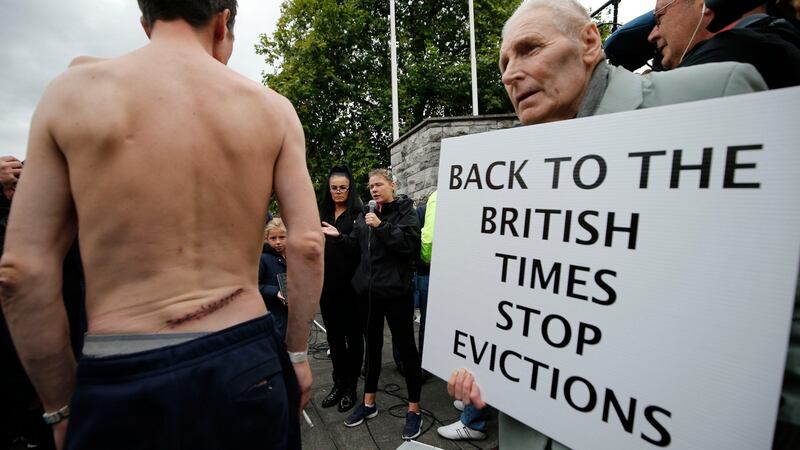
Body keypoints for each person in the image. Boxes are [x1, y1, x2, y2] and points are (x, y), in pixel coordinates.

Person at [0, 1, 324, 449]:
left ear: (145, 21)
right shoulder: (273, 109)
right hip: (244, 362)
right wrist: (297, 353)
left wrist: (60, 406)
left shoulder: (71, 94)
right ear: (222, 21)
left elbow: (22, 273)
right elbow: (308, 244)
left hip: (121, 366)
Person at [445, 0, 768, 449]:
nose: (510, 74)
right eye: (504, 62)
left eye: (529, 48)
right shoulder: (511, 172)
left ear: (590, 42)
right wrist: (490, 373)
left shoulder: (714, 96)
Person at [322, 168, 424, 440]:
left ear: (392, 185)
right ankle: (369, 404)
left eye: (379, 184)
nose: (374, 190)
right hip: (368, 295)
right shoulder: (365, 216)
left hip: (396, 294)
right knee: (373, 349)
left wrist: (381, 226)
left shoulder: (405, 211)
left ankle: (414, 409)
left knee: (406, 348)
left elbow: (409, 246)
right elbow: (356, 248)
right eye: (370, 187)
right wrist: (339, 237)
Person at [647, 0, 800, 88]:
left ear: (705, 4)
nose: (652, 36)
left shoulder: (736, 50)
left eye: (659, 18)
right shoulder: (773, 41)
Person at [317, 165, 363, 413]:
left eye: (342, 188)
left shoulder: (357, 214)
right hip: (327, 287)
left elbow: (359, 249)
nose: (338, 192)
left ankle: (351, 387)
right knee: (333, 337)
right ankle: (338, 383)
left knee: (353, 338)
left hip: (352, 288)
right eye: (334, 188)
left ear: (350, 188)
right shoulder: (321, 212)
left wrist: (339, 237)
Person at [259, 218, 289, 340]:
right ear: (266, 239)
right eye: (273, 238)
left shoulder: (294, 255)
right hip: (273, 313)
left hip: (294, 314)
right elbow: (254, 285)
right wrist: (275, 291)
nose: (278, 242)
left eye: (282, 237)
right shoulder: (263, 259)